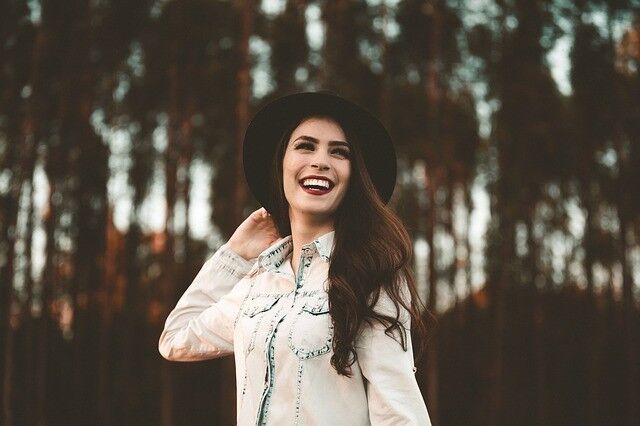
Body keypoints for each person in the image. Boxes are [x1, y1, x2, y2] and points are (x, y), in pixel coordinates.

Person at [158, 91, 433, 425]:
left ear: (353, 177)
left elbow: (400, 415)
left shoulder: (371, 276)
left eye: (339, 152)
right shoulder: (258, 282)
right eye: (305, 145)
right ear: (282, 164)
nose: (320, 161)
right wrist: (234, 255)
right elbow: (176, 338)